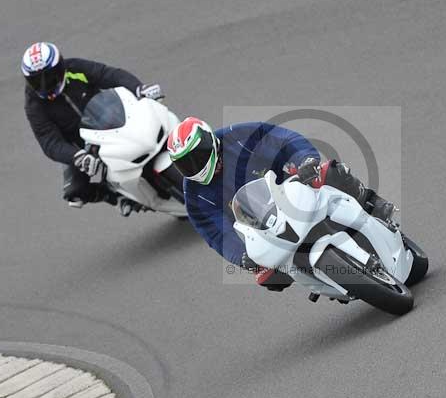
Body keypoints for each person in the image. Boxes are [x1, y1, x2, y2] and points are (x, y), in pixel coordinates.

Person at [167, 117, 396, 291]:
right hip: (262, 225)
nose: (192, 166)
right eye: (184, 164)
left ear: (208, 143)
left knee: (330, 172)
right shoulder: (194, 196)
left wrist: (305, 160)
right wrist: (241, 256)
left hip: (291, 187)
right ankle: (326, 284)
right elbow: (217, 233)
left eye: (195, 157)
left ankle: (372, 203)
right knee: (269, 277)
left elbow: (284, 139)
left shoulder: (237, 136)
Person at [21, 41, 164, 207]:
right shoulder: (34, 105)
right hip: (83, 146)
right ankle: (117, 198)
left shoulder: (74, 68)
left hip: (110, 119)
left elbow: (107, 74)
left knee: (151, 124)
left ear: (60, 68)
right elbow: (49, 142)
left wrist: (139, 88)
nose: (46, 85)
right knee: (75, 193)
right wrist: (77, 156)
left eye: (50, 77)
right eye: (37, 81)